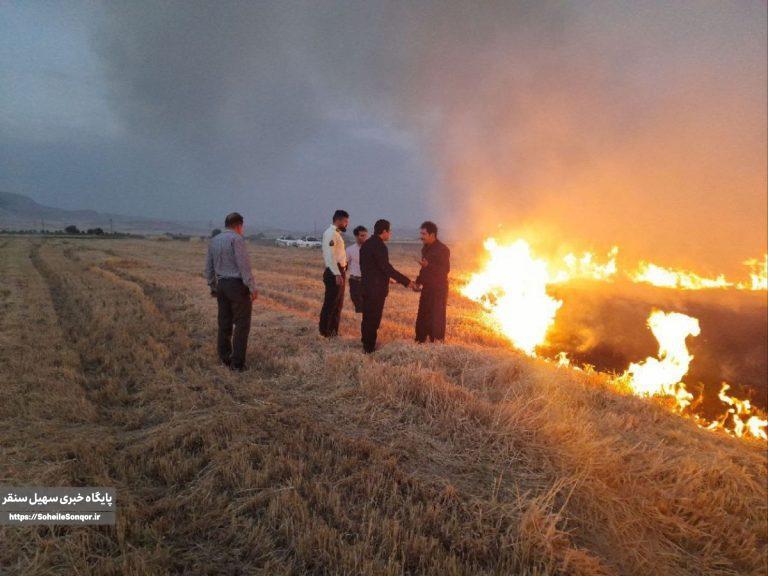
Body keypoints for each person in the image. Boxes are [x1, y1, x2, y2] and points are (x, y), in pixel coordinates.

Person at [204, 212, 258, 371]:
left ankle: (224, 357)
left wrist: (213, 286)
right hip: (236, 286)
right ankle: (238, 364)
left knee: (224, 323)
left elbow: (208, 268)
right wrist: (252, 287)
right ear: (239, 225)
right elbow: (244, 266)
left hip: (221, 285)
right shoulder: (236, 239)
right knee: (242, 325)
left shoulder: (214, 241)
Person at [359, 219, 415, 353]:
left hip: (366, 286)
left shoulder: (366, 244)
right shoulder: (380, 246)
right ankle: (369, 349)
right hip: (375, 290)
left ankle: (366, 343)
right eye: (389, 232)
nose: (390, 234)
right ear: (384, 231)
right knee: (373, 319)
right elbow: (387, 268)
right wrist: (407, 282)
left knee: (367, 318)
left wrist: (385, 279)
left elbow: (370, 267)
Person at [414, 221, 450, 343]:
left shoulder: (443, 249)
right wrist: (418, 281)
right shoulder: (425, 248)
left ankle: (437, 343)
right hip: (427, 287)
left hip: (439, 289)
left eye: (424, 234)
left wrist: (429, 265)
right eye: (421, 233)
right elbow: (423, 268)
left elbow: (445, 270)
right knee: (423, 314)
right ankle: (420, 340)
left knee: (437, 315)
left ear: (432, 234)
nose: (421, 236)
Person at [319, 209, 349, 337]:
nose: (346, 224)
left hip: (339, 270)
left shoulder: (336, 234)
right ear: (338, 220)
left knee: (338, 304)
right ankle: (325, 332)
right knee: (331, 304)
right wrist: (337, 273)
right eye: (345, 222)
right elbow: (329, 255)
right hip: (333, 272)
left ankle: (333, 333)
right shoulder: (330, 233)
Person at [345, 225, 368, 313]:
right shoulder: (350, 250)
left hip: (368, 282)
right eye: (362, 236)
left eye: (366, 235)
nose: (365, 238)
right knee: (359, 307)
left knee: (368, 308)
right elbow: (344, 265)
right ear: (356, 236)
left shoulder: (371, 249)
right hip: (355, 282)